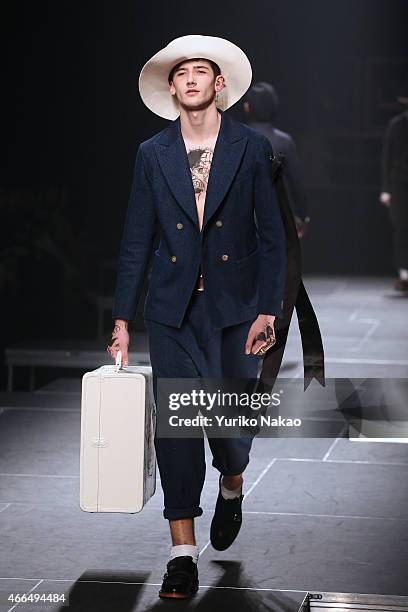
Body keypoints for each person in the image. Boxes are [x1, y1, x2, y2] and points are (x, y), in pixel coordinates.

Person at [107, 35, 287, 600]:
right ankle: (181, 554)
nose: (190, 79)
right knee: (180, 430)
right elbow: (137, 237)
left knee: (230, 432)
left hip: (234, 310)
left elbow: (272, 237)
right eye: (181, 72)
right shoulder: (151, 153)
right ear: (171, 87)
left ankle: (233, 484)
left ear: (219, 84)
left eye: (200, 71)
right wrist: (122, 317)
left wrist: (268, 309)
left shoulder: (251, 148)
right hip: (173, 309)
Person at [243, 81, 310, 238]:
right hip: (277, 217)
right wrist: (302, 215)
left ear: (247, 107)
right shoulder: (284, 142)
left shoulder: (236, 138)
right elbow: (296, 182)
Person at [379, 95, 408, 292]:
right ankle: (404, 274)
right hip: (399, 183)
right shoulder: (396, 125)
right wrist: (386, 189)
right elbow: (387, 158)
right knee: (402, 228)